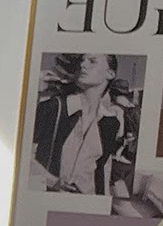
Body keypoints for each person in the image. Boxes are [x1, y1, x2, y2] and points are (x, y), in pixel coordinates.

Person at [32, 53, 129, 196]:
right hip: (52, 198)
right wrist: (52, 181)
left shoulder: (110, 122)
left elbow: (101, 170)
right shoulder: (52, 108)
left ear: (110, 73)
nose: (83, 65)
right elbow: (24, 156)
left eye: (92, 61)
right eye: (82, 60)